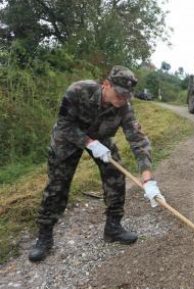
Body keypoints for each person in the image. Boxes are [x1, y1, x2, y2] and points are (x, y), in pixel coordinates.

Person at [29, 65, 165, 262]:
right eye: (119, 94)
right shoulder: (78, 91)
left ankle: (113, 228)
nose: (122, 100)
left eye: (126, 96)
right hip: (67, 137)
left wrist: (148, 179)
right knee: (57, 184)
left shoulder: (124, 107)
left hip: (101, 139)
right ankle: (44, 236)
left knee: (116, 175)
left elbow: (138, 141)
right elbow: (65, 124)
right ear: (106, 85)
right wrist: (88, 143)